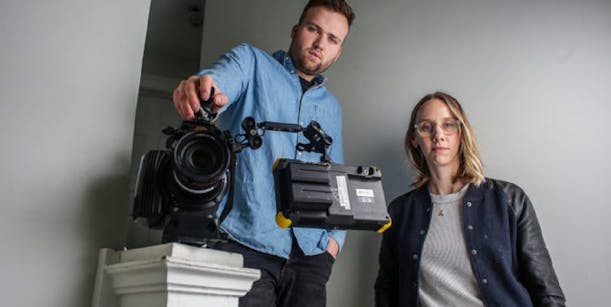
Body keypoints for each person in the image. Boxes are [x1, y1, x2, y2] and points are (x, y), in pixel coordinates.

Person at [171, 1, 355, 306]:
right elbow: (216, 83)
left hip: (311, 257)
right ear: (296, 31)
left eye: (333, 39)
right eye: (314, 29)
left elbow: (336, 179)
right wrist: (201, 89)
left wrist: (333, 243)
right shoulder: (250, 62)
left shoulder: (332, 108)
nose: (320, 43)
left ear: (338, 51)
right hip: (244, 244)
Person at [374, 92, 566, 307]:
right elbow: (387, 289)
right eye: (426, 127)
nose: (438, 135)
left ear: (461, 133)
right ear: (414, 139)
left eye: (448, 125)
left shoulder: (509, 200)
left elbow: (547, 291)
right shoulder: (400, 212)